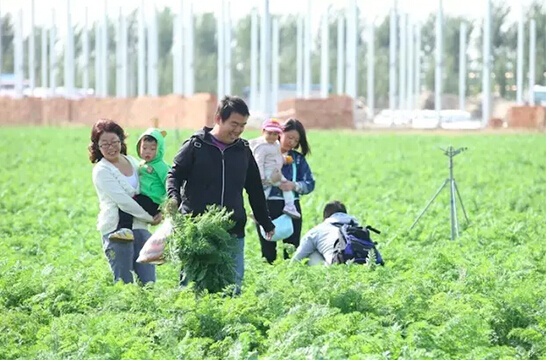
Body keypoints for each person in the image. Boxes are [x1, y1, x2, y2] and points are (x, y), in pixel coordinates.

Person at [166, 95, 275, 292]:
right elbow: (175, 174)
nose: (238, 130)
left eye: (243, 125)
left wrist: (265, 220)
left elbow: (255, 189)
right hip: (198, 229)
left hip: (232, 229)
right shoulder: (196, 145)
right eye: (234, 124)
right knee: (192, 285)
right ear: (218, 118)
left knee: (232, 286)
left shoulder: (243, 150)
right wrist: (174, 197)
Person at [89, 119, 162, 284]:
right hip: (117, 231)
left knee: (149, 282)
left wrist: (160, 210)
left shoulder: (133, 161)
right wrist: (151, 218)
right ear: (97, 147)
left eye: (114, 142)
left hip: (141, 228)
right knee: (124, 282)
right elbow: (124, 202)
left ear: (121, 141)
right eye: (104, 144)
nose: (110, 147)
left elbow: (149, 189)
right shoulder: (102, 170)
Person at [255, 118, 315, 263]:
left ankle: (290, 283)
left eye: (296, 140)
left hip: (291, 207)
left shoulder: (298, 159)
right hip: (267, 205)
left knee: (292, 250)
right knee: (268, 252)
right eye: (289, 137)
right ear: (280, 134)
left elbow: (310, 183)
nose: (291, 142)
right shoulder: (264, 152)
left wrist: (293, 186)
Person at [108, 128, 170, 242]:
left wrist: (166, 206)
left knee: (127, 204)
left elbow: (169, 182)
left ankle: (125, 229)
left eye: (152, 149)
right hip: (146, 198)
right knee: (130, 202)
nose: (147, 152)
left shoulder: (161, 166)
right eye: (144, 148)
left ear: (159, 149)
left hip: (153, 201)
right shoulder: (141, 164)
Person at [249, 118, 301, 219]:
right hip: (269, 174)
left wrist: (285, 160)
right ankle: (289, 206)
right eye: (270, 133)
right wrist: (261, 177)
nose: (272, 136)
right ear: (263, 132)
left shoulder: (276, 145)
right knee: (274, 188)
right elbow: (259, 162)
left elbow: (277, 158)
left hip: (275, 172)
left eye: (275, 134)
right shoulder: (262, 147)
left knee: (271, 190)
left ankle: (258, 210)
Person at [291, 201, 357, 265]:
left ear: (325, 216)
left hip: (337, 266)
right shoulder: (358, 227)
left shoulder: (318, 230)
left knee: (311, 255)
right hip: (363, 264)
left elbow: (297, 258)